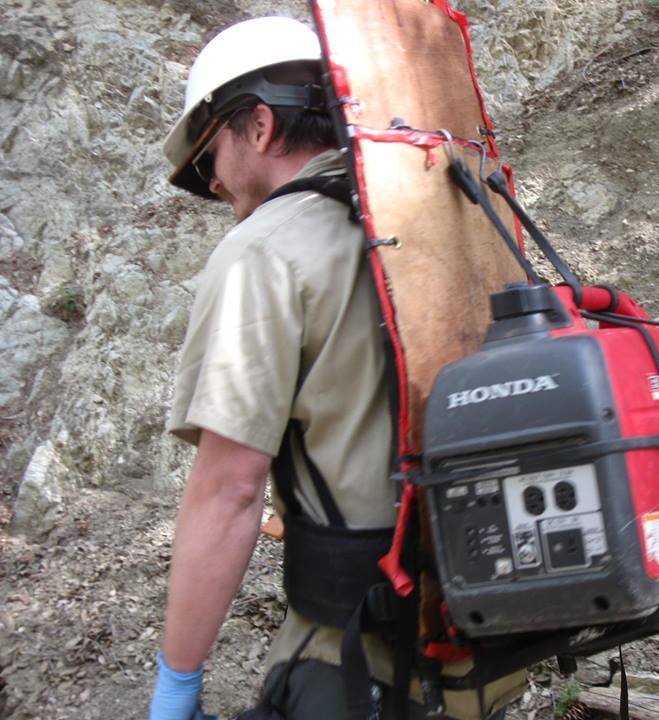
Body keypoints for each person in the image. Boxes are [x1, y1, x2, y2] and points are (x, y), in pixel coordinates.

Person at [149, 15, 520, 720]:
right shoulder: (452, 210)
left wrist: (178, 679)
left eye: (208, 158)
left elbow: (229, 490)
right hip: (490, 645)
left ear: (257, 126)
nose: (215, 184)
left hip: (360, 661)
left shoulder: (265, 251)